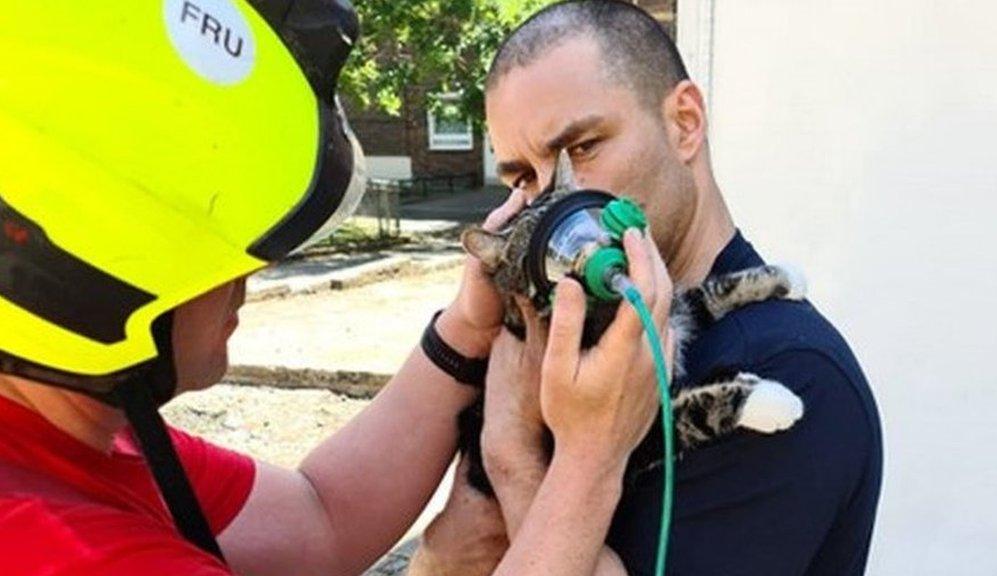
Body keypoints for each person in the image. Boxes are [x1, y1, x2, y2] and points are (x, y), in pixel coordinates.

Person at [0, 2, 672, 575]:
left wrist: (467, 326)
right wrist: (589, 460)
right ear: (92, 278)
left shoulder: (77, 439)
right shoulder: (64, 548)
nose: (250, 276)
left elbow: (321, 516)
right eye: (223, 251)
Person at [415, 1, 884, 575]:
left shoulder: (788, 370)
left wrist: (515, 460)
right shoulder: (554, 334)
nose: (554, 204)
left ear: (684, 123)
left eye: (582, 148)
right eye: (522, 178)